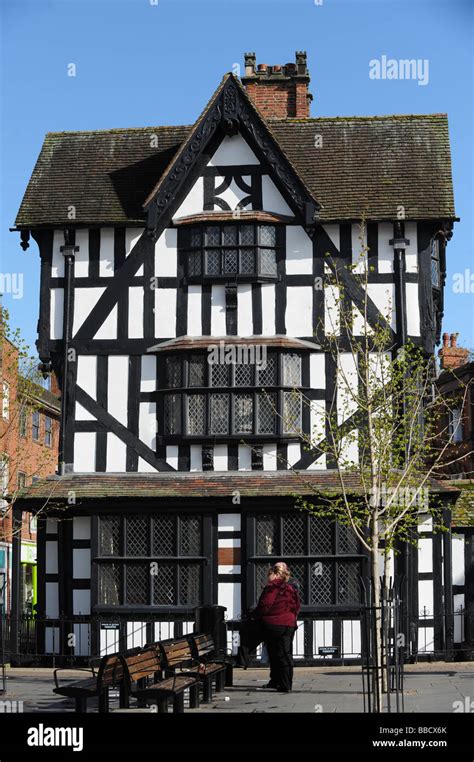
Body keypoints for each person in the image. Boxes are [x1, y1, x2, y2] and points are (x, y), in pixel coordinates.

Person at [252, 561, 300, 693]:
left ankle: (281, 683)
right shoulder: (290, 588)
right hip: (289, 625)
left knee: (276, 654)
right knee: (285, 654)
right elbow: (296, 606)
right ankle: (284, 683)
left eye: (269, 574)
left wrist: (254, 616)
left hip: (274, 625)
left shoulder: (272, 587)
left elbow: (265, 605)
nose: (268, 577)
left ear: (275, 574)